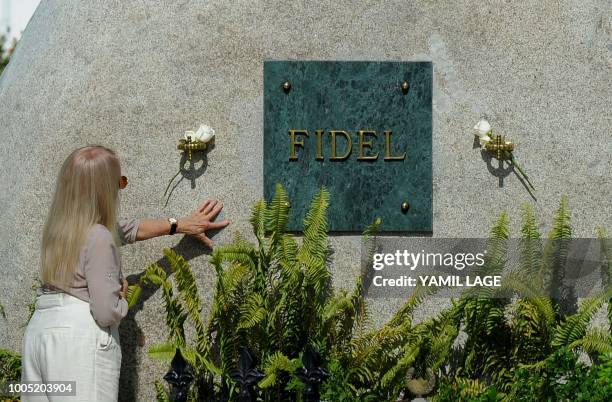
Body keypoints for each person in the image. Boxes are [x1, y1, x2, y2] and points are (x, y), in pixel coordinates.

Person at [20, 145, 229, 401]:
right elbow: (106, 312)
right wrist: (122, 296)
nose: (120, 190)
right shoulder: (97, 236)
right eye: (120, 182)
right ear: (104, 190)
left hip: (39, 336)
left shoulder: (58, 232)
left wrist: (178, 225)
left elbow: (128, 229)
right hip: (77, 343)